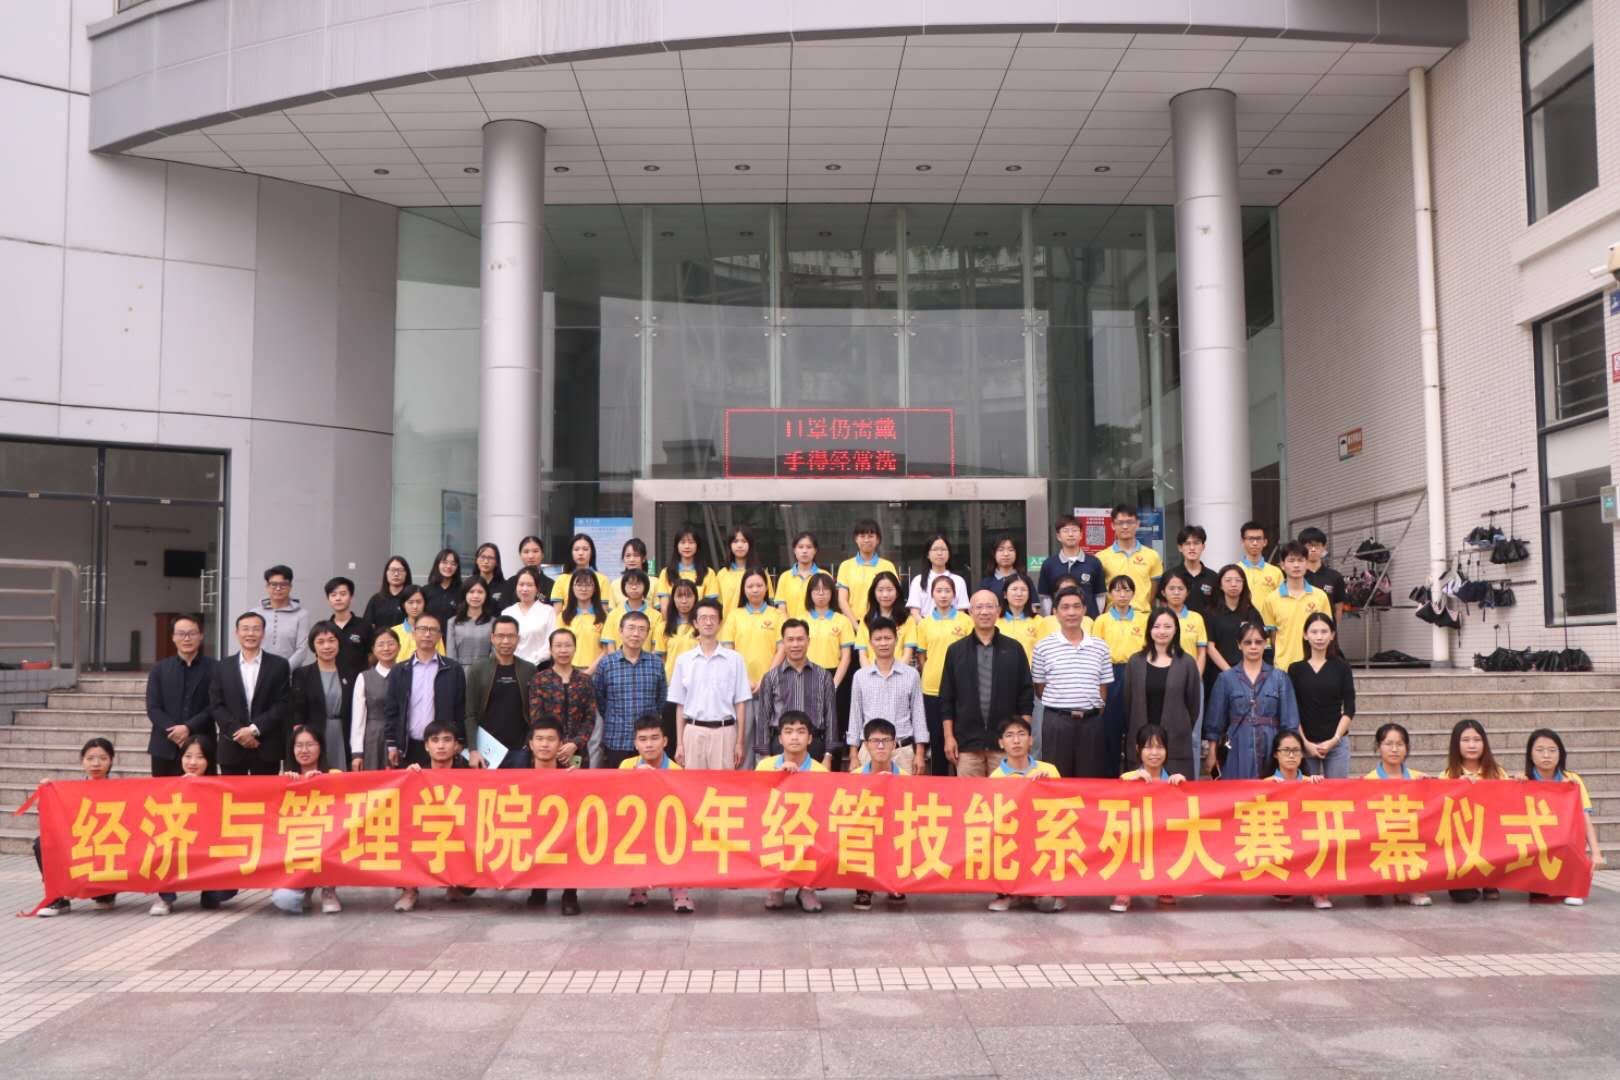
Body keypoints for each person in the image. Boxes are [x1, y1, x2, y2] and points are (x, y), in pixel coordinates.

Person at [940, 589, 1034, 779]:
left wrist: (1022, 736)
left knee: (1006, 796)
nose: (984, 612)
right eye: (979, 607)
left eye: (990, 606)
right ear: (970, 612)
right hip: (967, 745)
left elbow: (1026, 696)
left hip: (1005, 745)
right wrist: (949, 737)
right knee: (969, 797)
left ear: (998, 611)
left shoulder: (1014, 649)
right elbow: (947, 699)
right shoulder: (956, 651)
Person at [149, 735, 238, 916]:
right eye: (188, 756)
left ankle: (208, 891)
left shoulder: (221, 787)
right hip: (179, 847)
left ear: (209, 760)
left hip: (208, 851)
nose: (193, 762)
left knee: (218, 896)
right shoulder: (169, 786)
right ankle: (165, 898)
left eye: (200, 757)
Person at [1031, 587, 1114, 778]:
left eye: (1077, 606)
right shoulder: (1043, 647)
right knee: (1056, 779)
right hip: (1057, 723)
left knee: (1091, 779)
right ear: (1055, 612)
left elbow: (1103, 689)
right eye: (1065, 607)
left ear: (1084, 610)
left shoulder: (1100, 647)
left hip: (1091, 724)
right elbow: (1040, 688)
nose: (1071, 612)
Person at [618, 714, 695, 913]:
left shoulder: (677, 771)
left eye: (654, 738)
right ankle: (638, 885)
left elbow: (683, 809)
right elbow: (616, 800)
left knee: (680, 837)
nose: (649, 744)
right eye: (643, 739)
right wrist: (635, 777)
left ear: (665, 741)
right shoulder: (626, 766)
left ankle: (679, 889)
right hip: (636, 827)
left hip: (668, 827)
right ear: (635, 744)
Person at [396, 717, 474, 912]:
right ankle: (410, 890)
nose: (441, 746)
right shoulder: (416, 773)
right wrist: (406, 777)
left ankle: (455, 883)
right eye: (435, 740)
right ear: (426, 746)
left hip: (456, 835)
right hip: (424, 832)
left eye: (447, 740)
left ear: (456, 746)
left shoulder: (470, 775)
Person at [34, 738, 119, 917]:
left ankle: (106, 894)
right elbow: (52, 817)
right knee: (41, 843)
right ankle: (58, 897)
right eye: (90, 758)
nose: (96, 764)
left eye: (103, 758)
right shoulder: (69, 789)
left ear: (111, 760)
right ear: (82, 761)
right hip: (79, 839)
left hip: (107, 841)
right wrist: (45, 794)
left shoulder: (122, 789)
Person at [1205, 621, 1299, 781]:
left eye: (1258, 642)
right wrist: (1212, 753)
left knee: (1272, 791)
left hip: (1271, 745)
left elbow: (1290, 722)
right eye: (1248, 642)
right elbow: (1215, 721)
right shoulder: (1226, 679)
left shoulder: (1279, 678)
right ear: (1239, 645)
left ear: (1265, 644)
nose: (1253, 647)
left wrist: (1289, 752)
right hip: (1237, 744)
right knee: (1237, 790)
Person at [986, 716, 1062, 914]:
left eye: (1021, 734)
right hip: (1012, 840)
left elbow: (1063, 809)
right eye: (1009, 735)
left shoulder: (1049, 770)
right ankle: (1007, 893)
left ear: (1031, 740)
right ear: (1001, 743)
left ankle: (1041, 890)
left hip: (1042, 838)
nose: (1016, 740)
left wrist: (1047, 787)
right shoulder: (995, 778)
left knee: (1047, 903)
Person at [754, 710, 827, 913]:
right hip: (775, 828)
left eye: (801, 732)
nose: (794, 737)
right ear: (780, 738)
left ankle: (807, 889)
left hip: (808, 832)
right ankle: (777, 885)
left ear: (810, 738)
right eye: (788, 731)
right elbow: (755, 803)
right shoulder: (765, 766)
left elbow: (824, 812)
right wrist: (778, 778)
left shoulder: (821, 771)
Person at [1111, 723, 1187, 913]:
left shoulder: (1173, 780)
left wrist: (1183, 788)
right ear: (1138, 750)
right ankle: (1124, 889)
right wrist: (1133, 779)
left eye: (1159, 747)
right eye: (1148, 747)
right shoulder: (1129, 777)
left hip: (1161, 838)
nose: (1154, 753)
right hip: (1134, 837)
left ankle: (1164, 884)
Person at [1523, 728, 1604, 905]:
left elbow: (1585, 819)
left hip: (1565, 843)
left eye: (1552, 750)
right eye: (1540, 750)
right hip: (1537, 843)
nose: (1546, 755)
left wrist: (1596, 853)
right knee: (1540, 894)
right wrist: (1516, 784)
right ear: (1530, 754)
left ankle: (1573, 888)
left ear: (1561, 754)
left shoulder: (1572, 780)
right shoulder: (1524, 780)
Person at [669, 599, 750, 770]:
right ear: (695, 623)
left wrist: (739, 742)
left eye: (713, 618)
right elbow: (680, 705)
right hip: (693, 731)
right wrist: (680, 744)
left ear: (720, 623)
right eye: (703, 618)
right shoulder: (684, 660)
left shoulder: (735, 659)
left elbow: (740, 704)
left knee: (722, 784)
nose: (708, 622)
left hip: (724, 732)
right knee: (693, 784)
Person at [270, 724, 342, 915]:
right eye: (299, 745)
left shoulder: (335, 775)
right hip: (296, 854)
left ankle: (328, 889)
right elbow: (272, 820)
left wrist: (320, 782)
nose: (304, 750)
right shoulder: (283, 778)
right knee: (284, 900)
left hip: (326, 847)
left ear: (320, 747)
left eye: (310, 745)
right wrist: (288, 785)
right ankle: (305, 888)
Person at [209, 611, 291, 776]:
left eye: (256, 629)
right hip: (232, 745)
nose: (250, 633)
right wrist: (239, 732)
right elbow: (216, 705)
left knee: (265, 792)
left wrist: (254, 729)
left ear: (263, 633)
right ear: (237, 633)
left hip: (266, 745)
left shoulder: (279, 665)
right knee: (231, 792)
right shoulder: (222, 666)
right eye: (245, 629)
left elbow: (282, 703)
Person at [907, 575, 974, 776]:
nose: (943, 595)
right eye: (939, 591)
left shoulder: (966, 621)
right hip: (932, 688)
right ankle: (939, 784)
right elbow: (922, 656)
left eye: (947, 591)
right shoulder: (924, 624)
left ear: (954, 595)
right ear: (932, 594)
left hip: (962, 689)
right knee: (936, 739)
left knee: (961, 739)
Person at [1124, 608, 1201, 780]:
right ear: (1149, 630)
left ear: (1176, 630)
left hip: (1176, 743)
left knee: (1176, 792)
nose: (1162, 631)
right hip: (1142, 739)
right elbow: (1128, 703)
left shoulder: (1187, 663)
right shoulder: (1135, 662)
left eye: (1167, 626)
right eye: (1156, 626)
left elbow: (1193, 706)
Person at [383, 612, 466, 767]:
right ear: (413, 634)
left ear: (440, 636)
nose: (427, 634)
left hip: (442, 747)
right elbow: (391, 710)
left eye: (432, 630)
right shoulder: (399, 670)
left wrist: (460, 740)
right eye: (422, 629)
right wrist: (392, 744)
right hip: (409, 746)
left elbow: (460, 708)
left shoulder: (453, 669)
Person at [518, 717, 583, 915]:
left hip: (565, 832)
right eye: (539, 739)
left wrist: (581, 779)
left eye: (551, 739)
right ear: (531, 744)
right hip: (532, 831)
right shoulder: (518, 774)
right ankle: (538, 886)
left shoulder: (572, 775)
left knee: (573, 836)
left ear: (561, 744)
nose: (544, 744)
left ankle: (570, 893)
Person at [847, 618, 928, 775]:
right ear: (870, 642)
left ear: (896, 640)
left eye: (888, 638)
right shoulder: (860, 676)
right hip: (869, 751)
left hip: (902, 751)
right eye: (878, 639)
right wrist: (853, 754)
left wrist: (919, 753)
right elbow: (855, 716)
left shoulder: (911, 675)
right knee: (868, 791)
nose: (883, 643)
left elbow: (918, 715)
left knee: (903, 791)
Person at [1363, 722, 1431, 907]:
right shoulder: (1368, 781)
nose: (1394, 749)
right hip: (1382, 838)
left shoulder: (1418, 778)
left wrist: (1429, 787)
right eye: (1388, 744)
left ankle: (1412, 887)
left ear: (1407, 748)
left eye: (1400, 744)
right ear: (1378, 747)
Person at [1262, 730, 1331, 910]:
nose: (1291, 755)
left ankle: (1318, 890)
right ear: (1276, 754)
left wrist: (1319, 787)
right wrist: (1267, 790)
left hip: (1306, 837)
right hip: (1278, 838)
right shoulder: (1265, 783)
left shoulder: (1311, 782)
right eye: (1286, 750)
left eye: (1296, 750)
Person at [753, 618, 836, 766]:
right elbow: (763, 718)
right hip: (780, 746)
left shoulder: (824, 676)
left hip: (814, 745)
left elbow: (831, 717)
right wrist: (765, 756)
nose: (795, 644)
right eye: (790, 640)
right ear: (783, 642)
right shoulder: (771, 677)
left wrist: (828, 756)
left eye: (800, 639)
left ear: (808, 641)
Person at [1442, 719, 1507, 904]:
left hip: (1490, 834)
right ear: (1456, 744)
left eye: (1477, 740)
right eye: (1466, 740)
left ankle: (1491, 882)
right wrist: (1457, 787)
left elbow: (1509, 803)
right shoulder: (1448, 775)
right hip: (1461, 840)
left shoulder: (1498, 773)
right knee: (1463, 896)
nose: (1472, 745)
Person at [145, 613, 216, 777]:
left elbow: (215, 705)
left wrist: (188, 728)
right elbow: (153, 707)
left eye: (192, 633)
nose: (187, 638)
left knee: (203, 792)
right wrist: (174, 731)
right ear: (173, 637)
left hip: (202, 748)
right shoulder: (159, 669)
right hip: (165, 746)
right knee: (164, 792)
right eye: (181, 634)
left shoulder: (215, 668)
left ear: (201, 636)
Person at [595, 611, 668, 769]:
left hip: (648, 742)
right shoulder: (606, 664)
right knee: (618, 783)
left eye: (642, 629)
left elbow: (661, 699)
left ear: (647, 633)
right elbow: (600, 699)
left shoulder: (656, 663)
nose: (636, 634)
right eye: (631, 628)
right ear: (620, 631)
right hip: (617, 738)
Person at [851, 717, 909, 911]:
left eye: (886, 741)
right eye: (875, 741)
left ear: (894, 744)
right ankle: (863, 887)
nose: (881, 746)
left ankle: (895, 883)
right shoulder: (854, 778)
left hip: (894, 831)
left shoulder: (907, 779)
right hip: (865, 831)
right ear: (866, 745)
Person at [1288, 612, 1355, 779]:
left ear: (1332, 635)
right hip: (1305, 744)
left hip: (1337, 743)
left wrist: (1335, 739)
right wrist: (1305, 742)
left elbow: (1349, 708)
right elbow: (1292, 710)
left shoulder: (1342, 668)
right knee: (1306, 793)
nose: (1319, 637)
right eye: (1314, 632)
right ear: (1305, 635)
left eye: (1324, 632)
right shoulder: (1295, 669)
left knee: (1338, 792)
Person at [464, 615, 536, 769]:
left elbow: (534, 711)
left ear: (518, 639)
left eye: (511, 636)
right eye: (500, 636)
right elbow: (470, 713)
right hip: (486, 750)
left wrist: (529, 742)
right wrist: (473, 749)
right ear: (492, 638)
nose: (505, 641)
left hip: (520, 750)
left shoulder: (529, 669)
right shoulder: (478, 669)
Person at [1094, 576, 1147, 774]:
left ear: (1133, 593)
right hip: (1110, 673)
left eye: (1126, 590)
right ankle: (1110, 775)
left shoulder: (1143, 619)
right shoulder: (1102, 620)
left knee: (1136, 723)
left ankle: (1136, 772)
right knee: (1111, 727)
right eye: (1117, 590)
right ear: (1110, 594)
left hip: (1137, 671)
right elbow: (1096, 650)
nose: (1122, 595)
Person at [803, 572, 856, 762]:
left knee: (834, 726)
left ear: (832, 593)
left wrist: (833, 684)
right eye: (816, 590)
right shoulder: (802, 620)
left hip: (835, 676)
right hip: (806, 676)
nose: (821, 594)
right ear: (809, 593)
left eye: (825, 590)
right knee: (807, 726)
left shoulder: (842, 621)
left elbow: (846, 656)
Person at [290, 622, 356, 771]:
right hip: (314, 735)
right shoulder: (302, 674)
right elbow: (297, 710)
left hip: (344, 733)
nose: (327, 646)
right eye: (320, 642)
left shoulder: (351, 673)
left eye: (331, 640)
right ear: (313, 646)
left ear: (339, 643)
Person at [525, 628, 593, 769]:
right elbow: (536, 717)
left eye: (568, 645)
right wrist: (555, 744)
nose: (563, 650)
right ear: (551, 649)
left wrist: (575, 743)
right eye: (558, 646)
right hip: (546, 750)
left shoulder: (585, 680)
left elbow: (590, 717)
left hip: (577, 751)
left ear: (575, 649)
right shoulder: (539, 679)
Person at [1260, 542, 1332, 672]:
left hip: (1314, 667)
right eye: (1291, 560)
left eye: (1300, 560)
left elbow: (1327, 631)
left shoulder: (1320, 596)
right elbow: (1272, 636)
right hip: (1283, 668)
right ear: (1282, 565)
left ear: (1307, 563)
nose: (1296, 565)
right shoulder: (1271, 599)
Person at [1204, 564, 1263, 703]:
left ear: (1243, 584)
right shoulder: (1210, 612)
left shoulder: (1251, 613)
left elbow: (1260, 643)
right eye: (1228, 580)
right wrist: (1230, 673)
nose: (1233, 584)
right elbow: (1210, 647)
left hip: (1248, 674)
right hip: (1219, 674)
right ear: (1220, 585)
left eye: (1238, 580)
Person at [719, 568, 784, 694]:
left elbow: (782, 649)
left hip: (772, 685)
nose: (755, 590)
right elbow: (728, 651)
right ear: (743, 589)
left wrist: (767, 678)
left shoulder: (777, 615)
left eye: (759, 585)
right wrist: (744, 679)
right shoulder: (734, 615)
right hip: (740, 686)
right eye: (750, 586)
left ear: (767, 587)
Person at [349, 626, 401, 771]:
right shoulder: (364, 677)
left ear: (399, 647)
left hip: (400, 737)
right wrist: (357, 753)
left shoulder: (406, 674)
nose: (386, 648)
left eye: (390, 643)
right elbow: (358, 718)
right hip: (373, 739)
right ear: (373, 649)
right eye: (381, 644)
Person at [1096, 506, 1162, 615]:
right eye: (1120, 523)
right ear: (1113, 525)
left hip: (1142, 616)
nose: (1125, 526)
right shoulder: (1101, 557)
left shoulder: (1152, 555)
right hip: (1112, 617)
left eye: (1130, 522)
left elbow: (1154, 588)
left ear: (1137, 524)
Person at [659, 579, 701, 744]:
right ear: (673, 599)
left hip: (696, 688)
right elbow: (661, 659)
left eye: (688, 596)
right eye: (679, 596)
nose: (684, 601)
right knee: (671, 736)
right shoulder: (663, 627)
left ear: (695, 598)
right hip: (671, 688)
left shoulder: (701, 626)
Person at [1037, 515, 1104, 615]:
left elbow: (1100, 595)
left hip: (1088, 620)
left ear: (1081, 535)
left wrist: (1094, 617)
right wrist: (1051, 618)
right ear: (1058, 536)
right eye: (1066, 531)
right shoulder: (1049, 564)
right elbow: (1045, 596)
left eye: (1074, 530)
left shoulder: (1094, 562)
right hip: (1058, 620)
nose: (1071, 534)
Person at [836, 518, 897, 624]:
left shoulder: (888, 566)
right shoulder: (846, 566)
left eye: (871, 536)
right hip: (853, 624)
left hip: (881, 624)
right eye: (862, 536)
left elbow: (894, 597)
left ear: (878, 539)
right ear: (856, 539)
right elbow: (842, 600)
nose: (866, 540)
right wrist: (855, 625)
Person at [855, 571, 912, 669]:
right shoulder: (866, 620)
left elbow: (907, 654)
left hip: (900, 674)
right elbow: (863, 655)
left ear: (897, 592)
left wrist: (896, 674)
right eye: (880, 590)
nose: (885, 594)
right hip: (871, 674)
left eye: (890, 590)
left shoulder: (907, 619)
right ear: (874, 593)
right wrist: (870, 675)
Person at [257, 564, 311, 668]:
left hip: (290, 673)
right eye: (273, 584)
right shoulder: (256, 613)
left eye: (283, 584)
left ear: (290, 586)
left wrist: (284, 670)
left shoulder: (301, 614)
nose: (278, 588)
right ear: (267, 586)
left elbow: (302, 649)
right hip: (260, 671)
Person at [1155, 574, 1208, 678]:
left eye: (1181, 589)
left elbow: (1201, 652)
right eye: (1171, 588)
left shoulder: (1196, 618)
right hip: (1162, 674)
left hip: (1190, 674)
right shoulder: (1156, 617)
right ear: (1163, 592)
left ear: (1187, 592)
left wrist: (1196, 677)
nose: (1176, 592)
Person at [557, 568, 609, 674]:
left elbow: (606, 650)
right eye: (579, 585)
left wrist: (588, 672)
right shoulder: (563, 616)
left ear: (595, 589)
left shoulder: (604, 616)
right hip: (569, 672)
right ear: (572, 588)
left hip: (597, 672)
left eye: (588, 585)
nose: (583, 589)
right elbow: (559, 647)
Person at [502, 566, 556, 666]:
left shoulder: (548, 611)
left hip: (540, 666)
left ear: (537, 588)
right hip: (511, 665)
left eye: (530, 585)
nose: (525, 589)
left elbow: (551, 642)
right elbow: (503, 641)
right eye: (521, 584)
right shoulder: (507, 613)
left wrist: (531, 662)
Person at [905, 533, 969, 616]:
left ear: (949, 554)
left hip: (952, 623)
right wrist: (925, 624)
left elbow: (961, 611)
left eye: (943, 549)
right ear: (928, 554)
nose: (939, 553)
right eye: (935, 549)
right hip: (924, 623)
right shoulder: (918, 580)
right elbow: (914, 612)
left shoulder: (958, 581)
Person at [603, 568, 664, 655]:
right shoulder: (613, 614)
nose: (634, 587)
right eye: (630, 584)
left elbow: (655, 646)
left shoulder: (656, 616)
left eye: (638, 584)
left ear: (645, 586)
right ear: (624, 587)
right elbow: (610, 644)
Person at [655, 526, 719, 605]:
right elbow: (664, 606)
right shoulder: (666, 573)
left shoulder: (708, 573)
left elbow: (710, 606)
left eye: (691, 542)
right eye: (683, 542)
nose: (687, 546)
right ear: (676, 546)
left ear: (697, 545)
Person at [323, 577, 373, 677]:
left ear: (351, 597)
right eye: (333, 595)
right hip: (332, 680)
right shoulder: (324, 629)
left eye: (343, 594)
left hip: (359, 681)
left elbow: (373, 654)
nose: (338, 598)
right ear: (328, 599)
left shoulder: (365, 626)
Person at [1166, 525, 1220, 615]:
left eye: (1196, 543)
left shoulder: (1213, 577)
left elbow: (1217, 606)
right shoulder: (1170, 575)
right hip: (1179, 623)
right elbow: (1164, 606)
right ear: (1180, 548)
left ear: (1203, 547)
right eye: (1187, 543)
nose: (1192, 548)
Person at [549, 533, 612, 608]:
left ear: (592, 552)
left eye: (585, 549)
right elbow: (557, 612)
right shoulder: (561, 579)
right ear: (571, 553)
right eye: (576, 549)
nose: (581, 553)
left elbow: (604, 611)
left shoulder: (602, 579)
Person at [1298, 527, 1348, 620]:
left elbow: (1338, 609)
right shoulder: (1295, 577)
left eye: (1317, 545)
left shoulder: (1335, 577)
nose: (1313, 549)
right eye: (1309, 546)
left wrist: (1332, 628)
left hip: (1327, 628)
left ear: (1324, 547)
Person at [774, 530, 824, 621]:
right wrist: (790, 626)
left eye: (809, 547)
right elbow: (781, 609)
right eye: (800, 547)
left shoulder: (824, 576)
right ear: (794, 550)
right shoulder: (785, 577)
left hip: (818, 627)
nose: (804, 551)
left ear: (815, 550)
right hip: (791, 627)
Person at [444, 578, 495, 666]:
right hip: (460, 670)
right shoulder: (453, 622)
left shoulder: (493, 622)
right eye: (471, 592)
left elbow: (495, 652)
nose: (476, 596)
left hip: (485, 669)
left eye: (480, 592)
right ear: (465, 594)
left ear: (486, 595)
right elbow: (451, 653)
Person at [362, 555, 412, 631]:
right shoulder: (376, 599)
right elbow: (367, 626)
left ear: (406, 573)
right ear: (386, 573)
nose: (396, 574)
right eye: (392, 570)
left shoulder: (411, 598)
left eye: (400, 570)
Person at [391, 585, 445, 656]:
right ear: (403, 605)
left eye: (419, 602)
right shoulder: (394, 632)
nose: (415, 606)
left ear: (425, 603)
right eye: (410, 602)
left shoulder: (433, 631)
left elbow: (441, 658)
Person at [1238, 521, 1282, 602]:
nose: (1255, 543)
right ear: (1242, 541)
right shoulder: (1235, 571)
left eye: (1258, 539)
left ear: (1265, 542)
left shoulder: (1276, 572)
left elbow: (1281, 601)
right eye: (1251, 539)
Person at [505, 535, 553, 604]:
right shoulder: (511, 583)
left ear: (542, 554)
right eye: (526, 552)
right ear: (520, 555)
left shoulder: (551, 585)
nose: (531, 556)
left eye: (535, 551)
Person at [422, 547, 464, 627]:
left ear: (457, 567)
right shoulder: (425, 591)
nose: (448, 566)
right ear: (437, 564)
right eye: (444, 562)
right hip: (431, 633)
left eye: (453, 563)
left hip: (455, 634)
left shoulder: (463, 590)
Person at [609, 537, 651, 609]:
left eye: (636, 555)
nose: (632, 559)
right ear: (623, 558)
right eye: (628, 556)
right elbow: (611, 611)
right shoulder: (615, 584)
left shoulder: (655, 582)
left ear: (644, 558)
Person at [469, 542, 510, 612]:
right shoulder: (468, 585)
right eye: (482, 557)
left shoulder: (505, 587)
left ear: (497, 562)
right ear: (476, 560)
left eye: (490, 558)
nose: (486, 561)